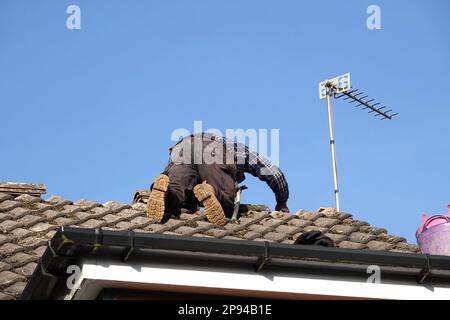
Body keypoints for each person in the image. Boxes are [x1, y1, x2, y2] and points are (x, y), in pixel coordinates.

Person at [147, 132, 290, 226]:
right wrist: (281, 201)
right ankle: (211, 191)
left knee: (177, 190)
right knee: (226, 202)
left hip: (182, 147)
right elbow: (272, 171)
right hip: (212, 150)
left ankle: (167, 192)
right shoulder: (236, 148)